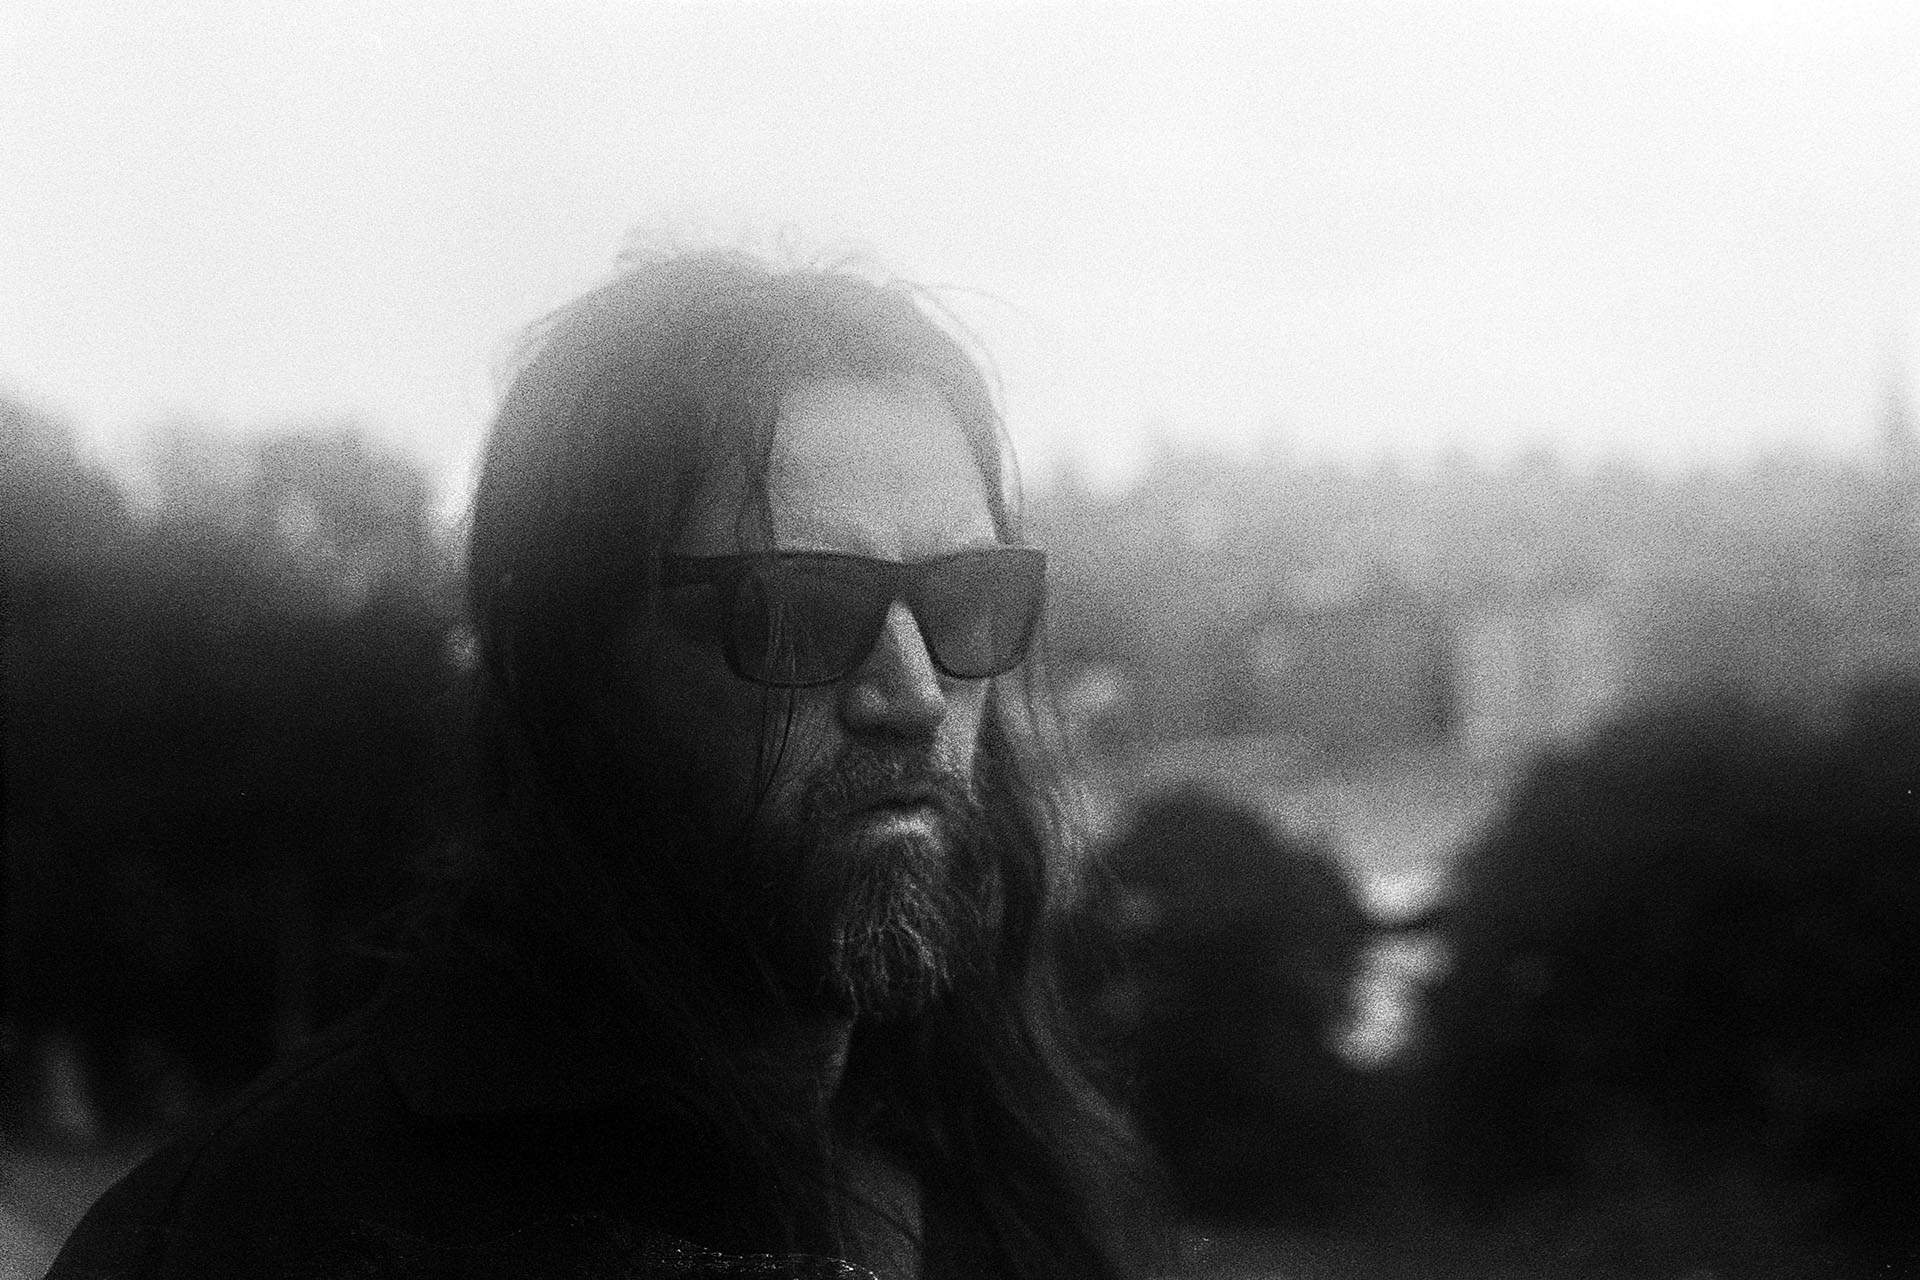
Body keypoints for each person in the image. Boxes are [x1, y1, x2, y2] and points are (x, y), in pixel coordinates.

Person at [47, 249, 1155, 1279]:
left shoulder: (1006, 1191)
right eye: (800, 611)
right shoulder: (255, 1237)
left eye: (969, 596)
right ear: (574, 662)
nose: (913, 695)